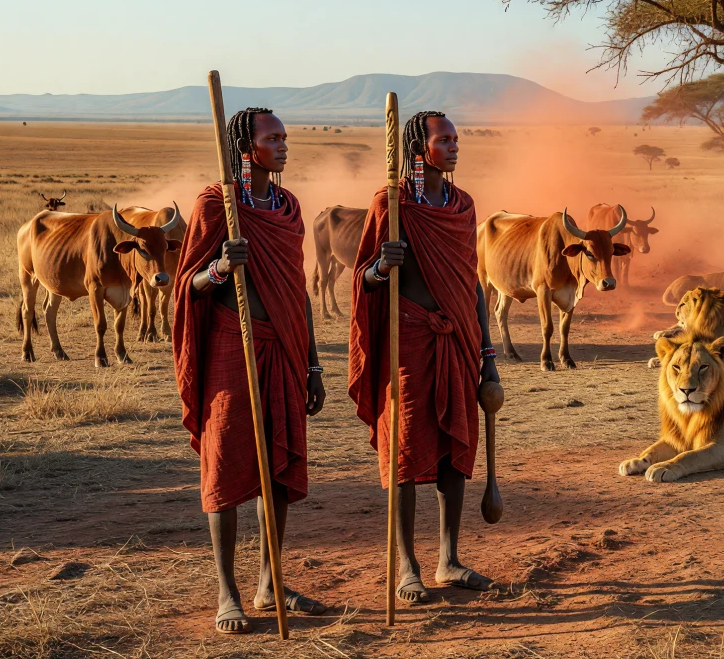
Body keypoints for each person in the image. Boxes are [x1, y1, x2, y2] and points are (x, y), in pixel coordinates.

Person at [173, 107, 328, 634]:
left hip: (283, 349)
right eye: (273, 138)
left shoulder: (286, 206)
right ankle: (227, 593)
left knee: (277, 474)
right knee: (224, 465)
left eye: (285, 137)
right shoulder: (216, 203)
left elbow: (297, 289)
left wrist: (312, 363)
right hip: (230, 346)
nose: (283, 145)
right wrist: (219, 267)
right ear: (247, 147)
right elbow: (187, 286)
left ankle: (269, 581)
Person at [348, 111, 501, 604]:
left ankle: (449, 560)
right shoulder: (388, 203)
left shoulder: (462, 205)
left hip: (457, 340)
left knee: (454, 448)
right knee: (405, 453)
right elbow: (363, 279)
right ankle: (407, 566)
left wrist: (488, 355)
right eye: (444, 140)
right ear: (418, 147)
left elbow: (471, 282)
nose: (455, 147)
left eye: (457, 138)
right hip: (407, 345)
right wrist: (379, 267)